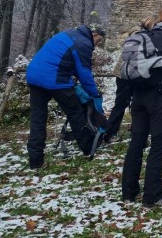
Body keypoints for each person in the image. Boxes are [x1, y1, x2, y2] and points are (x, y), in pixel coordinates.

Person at [121, 7, 162, 207]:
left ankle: (129, 192)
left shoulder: (142, 35)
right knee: (158, 146)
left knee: (136, 144)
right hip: (159, 95)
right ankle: (152, 196)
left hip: (138, 95)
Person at [26, 24, 106, 170]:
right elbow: (85, 74)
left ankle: (35, 160)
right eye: (98, 41)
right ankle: (87, 148)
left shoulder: (68, 33)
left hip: (34, 75)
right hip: (56, 80)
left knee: (37, 117)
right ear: (93, 34)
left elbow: (67, 60)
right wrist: (95, 94)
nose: (97, 45)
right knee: (75, 112)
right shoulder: (84, 43)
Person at [104, 16, 156, 144]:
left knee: (131, 104)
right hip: (128, 74)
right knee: (123, 103)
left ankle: (133, 131)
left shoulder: (140, 34)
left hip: (128, 73)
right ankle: (110, 132)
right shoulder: (138, 35)